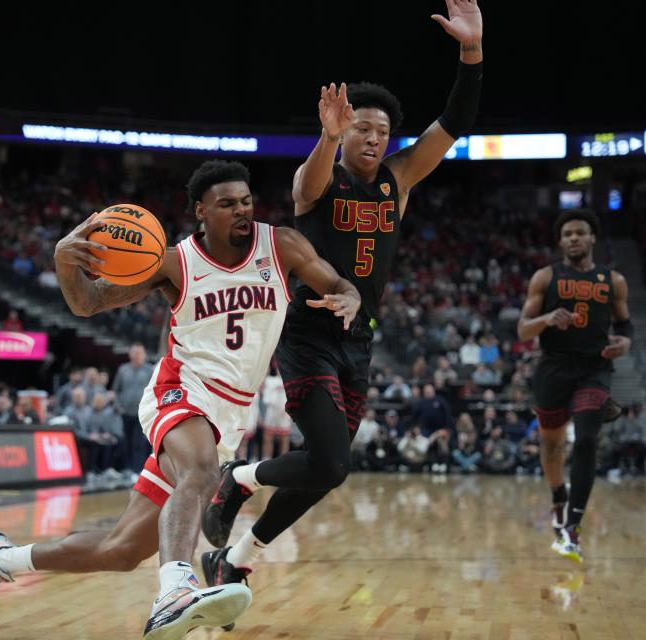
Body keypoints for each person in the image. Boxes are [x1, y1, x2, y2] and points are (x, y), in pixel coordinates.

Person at [0, 160, 361, 640]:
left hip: (230, 413)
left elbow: (338, 283)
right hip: (180, 391)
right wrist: (63, 260)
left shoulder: (281, 245)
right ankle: (174, 592)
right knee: (201, 474)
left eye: (246, 201)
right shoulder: (174, 261)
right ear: (201, 211)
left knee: (120, 551)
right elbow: (89, 303)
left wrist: (349, 299)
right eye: (227, 204)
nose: (242, 211)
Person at [201, 0, 483, 592]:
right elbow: (307, 183)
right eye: (363, 129)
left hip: (361, 340)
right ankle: (239, 478)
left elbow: (453, 123)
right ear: (344, 129)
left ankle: (237, 559)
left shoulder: (398, 180)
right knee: (331, 462)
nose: (375, 139)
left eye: (383, 131)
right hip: (307, 334)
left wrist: (471, 52)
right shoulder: (319, 181)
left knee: (327, 474)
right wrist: (326, 139)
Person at [517, 208, 632, 563]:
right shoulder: (545, 277)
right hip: (553, 370)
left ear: (592, 237)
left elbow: (625, 326)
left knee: (585, 440)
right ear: (560, 241)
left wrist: (625, 342)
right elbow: (523, 329)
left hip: (594, 370)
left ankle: (573, 527)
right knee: (552, 447)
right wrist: (547, 319)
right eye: (567, 234)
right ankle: (558, 496)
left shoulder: (613, 280)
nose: (574, 238)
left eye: (580, 232)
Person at [113, 342, 154, 474]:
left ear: (144, 355)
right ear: (129, 354)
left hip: (142, 415)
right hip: (125, 413)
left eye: (139, 353)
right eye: (134, 352)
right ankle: (127, 470)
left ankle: (139, 471)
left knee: (139, 444)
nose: (136, 355)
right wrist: (118, 406)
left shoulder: (149, 370)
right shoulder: (122, 369)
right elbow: (116, 390)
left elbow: (154, 391)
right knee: (126, 442)